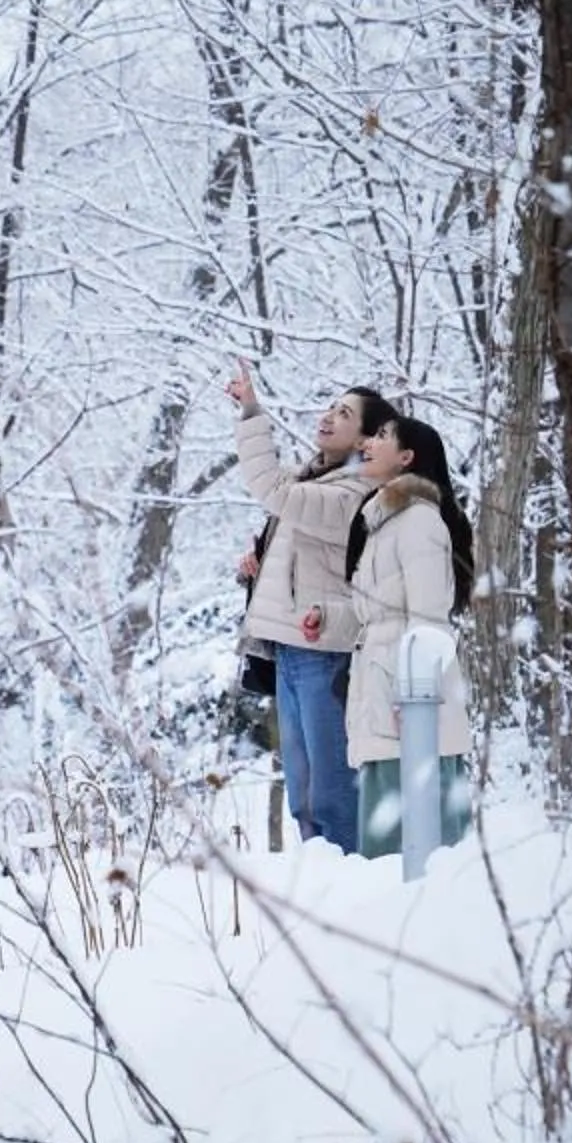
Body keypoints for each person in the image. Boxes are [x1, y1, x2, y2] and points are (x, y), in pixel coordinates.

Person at [227, 363, 395, 851]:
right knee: (302, 792)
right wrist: (258, 567)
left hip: (324, 652)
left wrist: (251, 412)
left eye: (344, 414)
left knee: (332, 792)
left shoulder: (355, 492)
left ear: (366, 439)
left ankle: (351, 889)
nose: (327, 417)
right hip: (290, 648)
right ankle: (318, 881)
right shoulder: (315, 479)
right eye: (329, 407)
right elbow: (296, 536)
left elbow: (275, 492)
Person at [308, 413, 477, 860]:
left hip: (410, 713)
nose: (368, 442)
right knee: (388, 856)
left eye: (382, 436)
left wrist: (413, 699)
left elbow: (427, 616)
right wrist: (329, 617)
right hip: (384, 704)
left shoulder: (418, 522)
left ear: (406, 457)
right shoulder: (386, 523)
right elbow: (381, 614)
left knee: (422, 856)